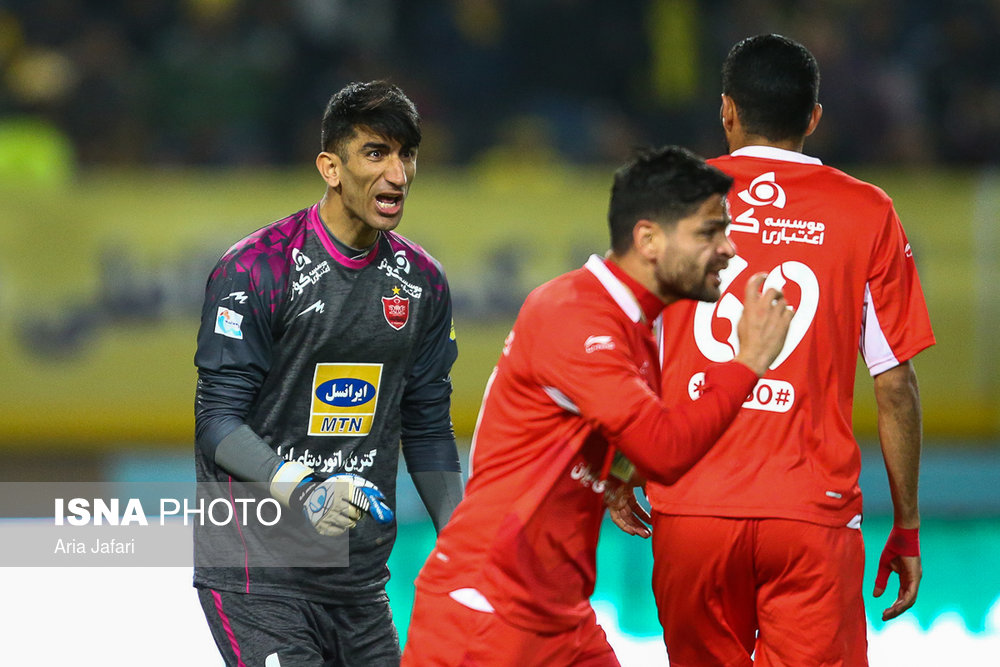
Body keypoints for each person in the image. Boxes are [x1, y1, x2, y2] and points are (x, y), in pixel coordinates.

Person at [401, 145, 794, 667]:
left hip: (558, 615)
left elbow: (623, 441)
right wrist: (748, 361)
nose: (728, 248)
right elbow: (663, 450)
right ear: (648, 239)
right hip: (487, 614)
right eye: (708, 232)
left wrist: (616, 476)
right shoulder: (575, 314)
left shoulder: (638, 323)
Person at [622, 34, 935, 666]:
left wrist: (618, 468)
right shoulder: (867, 211)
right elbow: (894, 384)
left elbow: (627, 353)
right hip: (811, 518)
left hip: (692, 513)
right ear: (814, 117)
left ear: (727, 111)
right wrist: (906, 524)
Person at [192, 80, 464, 666]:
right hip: (257, 576)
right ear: (331, 167)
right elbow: (216, 422)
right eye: (376, 153)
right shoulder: (255, 269)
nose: (398, 174)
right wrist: (307, 490)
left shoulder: (423, 282)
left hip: (358, 581)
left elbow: (426, 427)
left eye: (407, 154)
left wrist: (465, 542)